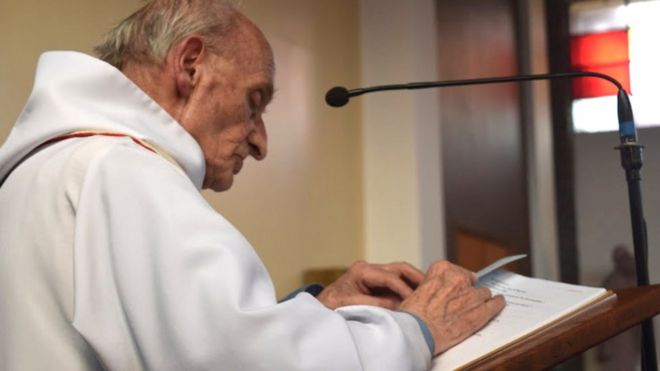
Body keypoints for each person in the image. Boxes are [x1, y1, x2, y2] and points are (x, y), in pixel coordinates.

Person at [0, 1, 504, 370]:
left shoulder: (49, 167)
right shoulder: (123, 170)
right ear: (190, 65)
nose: (260, 142)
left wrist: (317, 310)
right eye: (254, 102)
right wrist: (415, 330)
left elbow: (174, 345)